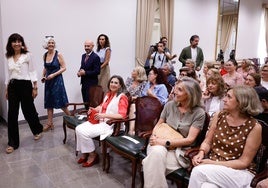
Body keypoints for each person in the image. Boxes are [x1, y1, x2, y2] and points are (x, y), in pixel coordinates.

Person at [188, 86, 263, 188]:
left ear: (241, 102)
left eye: (229, 97)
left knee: (198, 171)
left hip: (240, 172)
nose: (224, 99)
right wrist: (201, 152)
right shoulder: (219, 116)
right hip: (214, 168)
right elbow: (208, 142)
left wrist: (212, 163)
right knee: (207, 186)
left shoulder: (254, 126)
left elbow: (244, 162)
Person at [142, 77, 206, 188]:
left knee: (151, 163)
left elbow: (190, 140)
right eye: (176, 88)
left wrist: (164, 142)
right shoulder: (169, 105)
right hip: (158, 142)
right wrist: (154, 137)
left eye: (180, 90)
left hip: (180, 152)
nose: (175, 91)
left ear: (190, 94)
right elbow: (158, 125)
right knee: (157, 152)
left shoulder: (199, 113)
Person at [75, 75, 129, 167]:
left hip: (110, 125)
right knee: (78, 128)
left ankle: (92, 155)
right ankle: (85, 153)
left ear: (120, 85)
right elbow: (102, 106)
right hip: (100, 121)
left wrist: (104, 115)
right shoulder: (108, 94)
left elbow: (122, 115)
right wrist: (94, 109)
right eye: (112, 82)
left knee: (84, 132)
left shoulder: (122, 97)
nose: (113, 84)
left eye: (116, 83)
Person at [4, 33, 43, 154]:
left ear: (22, 43)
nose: (17, 43)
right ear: (10, 44)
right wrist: (6, 89)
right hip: (12, 86)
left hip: (25, 85)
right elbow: (8, 74)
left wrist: (35, 87)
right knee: (12, 114)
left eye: (19, 41)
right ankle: (12, 143)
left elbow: (32, 71)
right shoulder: (8, 56)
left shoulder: (27, 55)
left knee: (28, 110)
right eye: (14, 41)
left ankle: (37, 129)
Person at [41, 36, 71, 131]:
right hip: (48, 81)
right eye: (49, 43)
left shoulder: (58, 55)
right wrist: (43, 76)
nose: (51, 44)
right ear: (46, 44)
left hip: (57, 81)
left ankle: (72, 118)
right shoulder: (45, 55)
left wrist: (53, 75)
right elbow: (45, 67)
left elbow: (64, 67)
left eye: (52, 43)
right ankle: (49, 123)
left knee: (61, 102)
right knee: (49, 102)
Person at [77, 40, 101, 109]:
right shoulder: (83, 56)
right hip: (84, 83)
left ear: (92, 46)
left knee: (91, 102)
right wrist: (79, 72)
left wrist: (85, 73)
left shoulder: (96, 57)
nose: (86, 47)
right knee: (85, 101)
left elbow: (97, 71)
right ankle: (87, 115)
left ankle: (91, 117)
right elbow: (82, 67)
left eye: (88, 46)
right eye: (85, 46)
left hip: (92, 84)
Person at [125, 66, 147, 135]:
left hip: (136, 102)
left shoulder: (144, 83)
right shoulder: (129, 80)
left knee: (133, 106)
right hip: (126, 99)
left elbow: (142, 95)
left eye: (134, 71)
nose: (132, 72)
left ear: (139, 73)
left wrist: (134, 98)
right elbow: (124, 91)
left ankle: (131, 130)